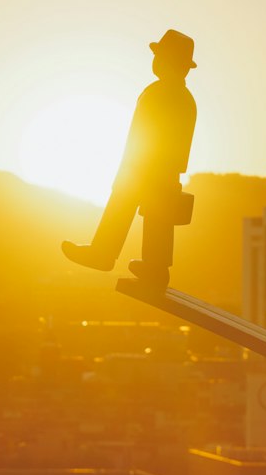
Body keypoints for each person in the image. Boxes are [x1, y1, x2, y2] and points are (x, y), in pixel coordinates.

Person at [61, 29, 197, 290]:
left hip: (145, 165)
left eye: (159, 56)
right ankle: (154, 267)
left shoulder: (162, 93)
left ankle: (104, 253)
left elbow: (146, 132)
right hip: (162, 168)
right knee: (159, 217)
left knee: (130, 205)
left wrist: (134, 163)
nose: (155, 61)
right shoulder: (183, 97)